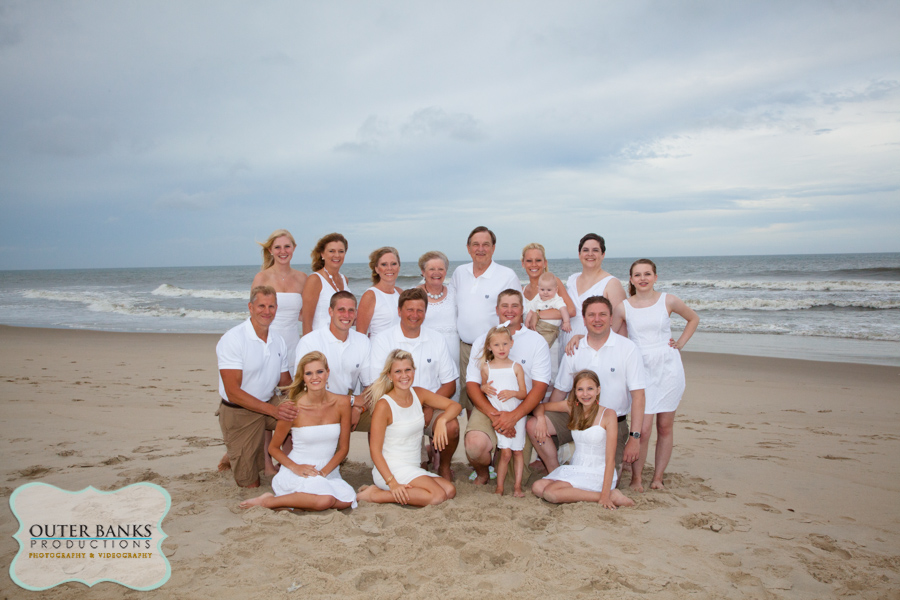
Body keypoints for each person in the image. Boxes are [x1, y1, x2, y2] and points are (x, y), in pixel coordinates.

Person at [528, 296, 647, 482]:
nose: (597, 319)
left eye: (602, 314)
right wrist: (543, 419)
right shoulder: (575, 348)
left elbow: (638, 396)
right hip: (576, 417)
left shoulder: (627, 348)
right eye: (591, 315)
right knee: (534, 424)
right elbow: (560, 390)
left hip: (612, 424)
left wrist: (635, 437)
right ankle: (555, 472)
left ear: (610, 318)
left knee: (606, 481)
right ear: (583, 320)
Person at [615, 259, 699, 492]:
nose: (643, 278)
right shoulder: (624, 307)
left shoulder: (668, 300)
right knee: (643, 429)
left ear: (655, 277)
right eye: (638, 275)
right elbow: (610, 335)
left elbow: (693, 319)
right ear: (631, 279)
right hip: (641, 370)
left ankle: (658, 477)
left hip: (669, 369)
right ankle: (636, 478)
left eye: (647, 274)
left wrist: (680, 343)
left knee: (665, 426)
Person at [240, 352, 357, 511]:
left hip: (328, 470)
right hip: (298, 469)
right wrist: (296, 467)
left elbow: (343, 449)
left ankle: (294, 504)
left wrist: (323, 473)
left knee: (347, 500)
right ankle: (269, 501)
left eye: (319, 372)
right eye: (309, 373)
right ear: (303, 378)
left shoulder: (342, 403)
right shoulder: (293, 408)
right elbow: (273, 448)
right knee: (325, 501)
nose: (315, 377)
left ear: (327, 373)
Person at [364, 288, 458, 479]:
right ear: (399, 311)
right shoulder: (383, 339)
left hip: (430, 403)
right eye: (409, 310)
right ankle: (390, 467)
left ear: (425, 312)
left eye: (420, 310)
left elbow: (450, 384)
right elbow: (378, 384)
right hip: (397, 407)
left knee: (452, 426)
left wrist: (428, 407)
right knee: (417, 468)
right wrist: (410, 409)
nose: (415, 315)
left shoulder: (436, 339)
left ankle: (444, 466)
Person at [465, 289, 551, 485]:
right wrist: (496, 416)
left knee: (513, 480)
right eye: (505, 306)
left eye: (515, 306)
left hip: (522, 410)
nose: (509, 310)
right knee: (474, 446)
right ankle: (483, 472)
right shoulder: (483, 340)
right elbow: (472, 384)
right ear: (497, 309)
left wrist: (513, 416)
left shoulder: (536, 341)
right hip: (489, 407)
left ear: (522, 309)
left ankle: (500, 459)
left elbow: (540, 387)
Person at [356, 351, 461, 506]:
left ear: (414, 371)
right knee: (437, 496)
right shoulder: (384, 405)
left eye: (408, 370)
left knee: (449, 490)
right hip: (391, 469)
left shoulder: (419, 394)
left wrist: (441, 421)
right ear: (390, 376)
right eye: (398, 371)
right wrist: (392, 482)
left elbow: (455, 406)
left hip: (412, 467)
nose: (404, 375)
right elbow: (375, 451)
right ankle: (375, 495)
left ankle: (387, 493)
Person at [215, 285, 292, 488]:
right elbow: (233, 392)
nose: (267, 311)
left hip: (268, 402)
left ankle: (293, 465)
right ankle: (233, 454)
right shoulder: (233, 339)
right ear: (250, 307)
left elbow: (285, 384)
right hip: (239, 412)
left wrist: (305, 402)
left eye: (272, 306)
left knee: (305, 416)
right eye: (261, 306)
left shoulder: (278, 340)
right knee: (251, 484)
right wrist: (274, 411)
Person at [531, 370, 634, 509]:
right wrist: (541, 419)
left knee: (551, 493)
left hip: (598, 470)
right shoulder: (572, 407)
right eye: (580, 389)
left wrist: (604, 497)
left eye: (590, 389)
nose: (585, 394)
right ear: (575, 391)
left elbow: (610, 459)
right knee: (537, 487)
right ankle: (606, 495)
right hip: (578, 466)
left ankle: (608, 495)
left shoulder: (608, 414)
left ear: (598, 390)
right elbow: (539, 406)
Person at [450, 226, 522, 413]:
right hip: (465, 349)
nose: (480, 249)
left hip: (493, 350)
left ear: (493, 248)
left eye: (486, 245)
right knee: (469, 398)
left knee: (496, 397)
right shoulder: (459, 272)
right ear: (468, 248)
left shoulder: (507, 275)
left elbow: (516, 312)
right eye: (476, 244)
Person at [292, 291, 370, 431]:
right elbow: (302, 388)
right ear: (330, 311)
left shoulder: (362, 341)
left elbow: (371, 386)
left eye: (351, 310)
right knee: (334, 450)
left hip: (352, 405)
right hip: (318, 405)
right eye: (341, 310)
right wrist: (351, 401)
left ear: (356, 313)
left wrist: (359, 408)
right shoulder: (310, 342)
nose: (346, 315)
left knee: (388, 416)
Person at [478, 325, 528, 497]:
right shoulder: (486, 367)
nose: (501, 348)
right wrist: (484, 388)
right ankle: (499, 487)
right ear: (489, 347)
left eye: (505, 344)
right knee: (505, 453)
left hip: (517, 416)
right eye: (497, 345)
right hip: (499, 417)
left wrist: (513, 393)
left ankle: (517, 487)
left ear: (512, 344)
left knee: (517, 451)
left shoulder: (516, 367)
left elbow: (523, 393)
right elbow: (482, 388)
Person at [561, 234, 627, 355]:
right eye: (585, 250)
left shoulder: (611, 283)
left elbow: (619, 322)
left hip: (597, 348)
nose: (590, 254)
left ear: (603, 255)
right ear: (579, 254)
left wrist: (589, 340)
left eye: (595, 250)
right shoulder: (572, 280)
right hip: (568, 345)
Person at [252, 229, 307, 369]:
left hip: (293, 344)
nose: (283, 251)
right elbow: (254, 315)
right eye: (277, 247)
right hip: (268, 342)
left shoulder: (302, 278)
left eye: (287, 246)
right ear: (270, 250)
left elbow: (305, 315)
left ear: (294, 248)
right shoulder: (261, 278)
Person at [418, 251, 459, 401]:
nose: (436, 273)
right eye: (431, 269)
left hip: (453, 355)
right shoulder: (414, 294)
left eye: (441, 269)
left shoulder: (454, 293)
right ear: (423, 272)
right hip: (426, 354)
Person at [301, 233, 350, 335]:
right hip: (320, 341)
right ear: (322, 254)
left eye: (341, 251)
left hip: (340, 340)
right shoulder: (315, 280)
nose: (337, 255)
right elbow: (306, 322)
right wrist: (310, 348)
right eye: (331, 251)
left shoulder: (344, 280)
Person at [356, 246, 402, 337]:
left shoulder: (400, 293)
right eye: (384, 264)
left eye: (393, 264)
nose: (389, 268)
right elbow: (360, 334)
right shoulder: (370, 295)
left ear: (399, 267)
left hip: (400, 349)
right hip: (379, 348)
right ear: (376, 269)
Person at [524, 271, 572, 347]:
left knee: (544, 346)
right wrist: (527, 322)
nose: (545, 292)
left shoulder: (556, 300)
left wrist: (566, 322)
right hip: (538, 326)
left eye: (549, 290)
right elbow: (531, 311)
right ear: (538, 289)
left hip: (550, 329)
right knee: (533, 343)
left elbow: (563, 310)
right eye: (542, 290)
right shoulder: (538, 298)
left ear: (556, 290)